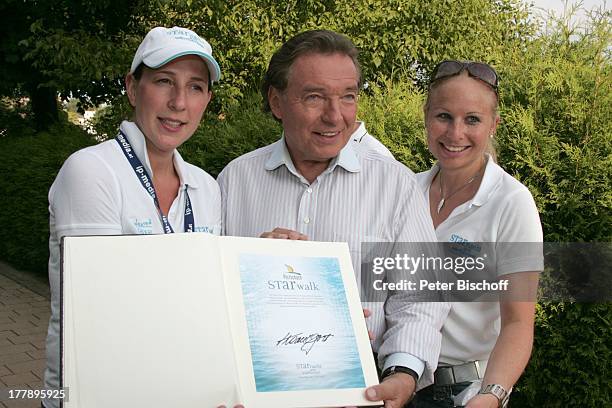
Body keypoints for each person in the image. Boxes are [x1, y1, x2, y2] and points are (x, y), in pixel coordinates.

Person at [218, 29, 449, 408]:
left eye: (348, 97)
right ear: (277, 102)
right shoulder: (234, 181)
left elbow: (420, 298)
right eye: (314, 97)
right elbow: (215, 299)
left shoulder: (394, 185)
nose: (335, 115)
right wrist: (252, 268)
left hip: (361, 394)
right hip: (257, 393)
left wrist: (403, 375)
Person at [42, 27, 223, 408]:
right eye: (163, 81)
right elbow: (100, 314)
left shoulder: (206, 188)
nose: (179, 103)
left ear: (206, 99)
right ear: (131, 86)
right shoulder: (92, 170)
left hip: (179, 391)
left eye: (195, 87)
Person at [411, 61, 543, 408]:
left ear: (493, 126)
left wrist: (491, 396)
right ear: (426, 118)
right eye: (443, 116)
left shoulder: (512, 203)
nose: (455, 134)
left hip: (463, 393)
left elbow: (517, 324)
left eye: (472, 119)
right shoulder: (405, 191)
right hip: (396, 379)